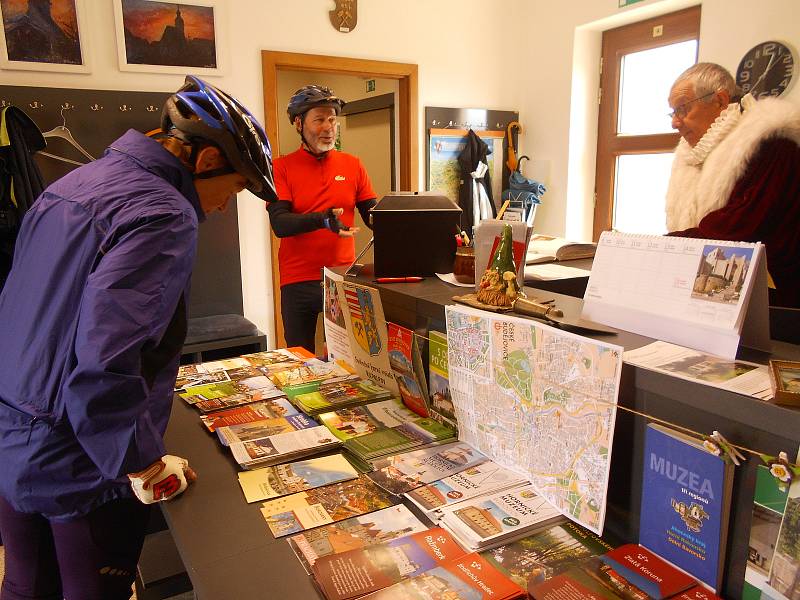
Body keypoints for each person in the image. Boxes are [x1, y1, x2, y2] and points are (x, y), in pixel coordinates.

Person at [0, 75, 275, 600]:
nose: (222, 208)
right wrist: (143, 461)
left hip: (15, 429)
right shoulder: (164, 213)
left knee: (25, 583)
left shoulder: (74, 183)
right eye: (236, 190)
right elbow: (106, 358)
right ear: (208, 162)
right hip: (77, 454)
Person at [664, 62, 800, 307]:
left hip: (775, 303)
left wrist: (660, 245)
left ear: (720, 100)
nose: (675, 122)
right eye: (672, 112)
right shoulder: (693, 155)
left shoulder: (771, 143)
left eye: (683, 109)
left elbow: (739, 226)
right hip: (708, 297)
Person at [267, 85, 377, 352]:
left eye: (332, 120)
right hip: (297, 280)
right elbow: (280, 223)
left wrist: (406, 223)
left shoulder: (353, 165)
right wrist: (322, 220)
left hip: (341, 276)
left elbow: (374, 215)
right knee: (299, 358)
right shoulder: (281, 167)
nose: (328, 127)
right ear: (298, 123)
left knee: (344, 358)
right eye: (319, 119)